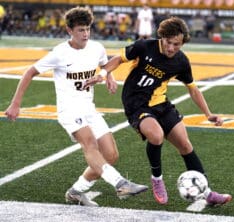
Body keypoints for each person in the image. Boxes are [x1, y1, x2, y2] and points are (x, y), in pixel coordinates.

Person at [5, 6, 148, 207]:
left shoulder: (96, 47)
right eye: (81, 30)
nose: (86, 34)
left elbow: (105, 64)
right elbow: (29, 72)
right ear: (69, 31)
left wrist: (108, 76)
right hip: (69, 110)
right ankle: (120, 183)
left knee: (110, 155)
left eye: (88, 29)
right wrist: (15, 103)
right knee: (90, 144)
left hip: (89, 108)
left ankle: (76, 192)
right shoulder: (59, 53)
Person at [83, 16, 232, 206]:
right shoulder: (144, 47)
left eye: (176, 44)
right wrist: (103, 74)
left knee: (185, 145)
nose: (171, 48)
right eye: (168, 42)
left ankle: (208, 193)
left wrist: (208, 114)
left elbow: (192, 88)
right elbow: (119, 58)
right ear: (162, 37)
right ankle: (157, 179)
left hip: (161, 103)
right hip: (136, 104)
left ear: (182, 43)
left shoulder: (181, 62)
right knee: (156, 135)